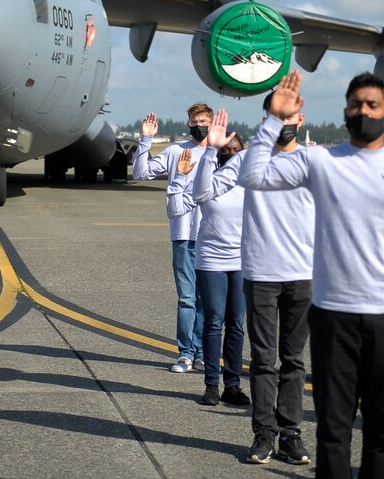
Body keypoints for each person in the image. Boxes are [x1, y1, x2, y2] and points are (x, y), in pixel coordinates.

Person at [239, 71, 384, 479]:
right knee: (334, 430)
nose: (363, 111)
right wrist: (273, 118)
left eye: (372, 105)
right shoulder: (320, 161)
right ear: (345, 111)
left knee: (383, 431)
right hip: (332, 315)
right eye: (356, 104)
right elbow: (253, 175)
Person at [240, 91, 315, 465]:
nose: (285, 122)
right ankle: (263, 434)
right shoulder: (253, 158)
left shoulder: (314, 163)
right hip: (261, 274)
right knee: (264, 360)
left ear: (301, 119)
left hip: (302, 276)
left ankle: (291, 434)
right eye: (277, 116)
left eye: (291, 116)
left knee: (293, 361)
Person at [166, 110, 250, 408]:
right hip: (212, 260)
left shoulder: (249, 184)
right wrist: (211, 149)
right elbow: (197, 194)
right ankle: (212, 384)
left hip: (241, 261)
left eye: (236, 150)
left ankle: (233, 384)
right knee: (214, 321)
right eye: (227, 150)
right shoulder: (210, 179)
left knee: (236, 325)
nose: (232, 154)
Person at [133, 104, 212, 373]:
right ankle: (186, 353)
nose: (199, 124)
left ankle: (203, 352)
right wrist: (146, 139)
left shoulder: (218, 153)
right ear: (188, 124)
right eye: (194, 120)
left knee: (206, 299)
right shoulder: (176, 151)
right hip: (183, 235)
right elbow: (140, 173)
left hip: (213, 237)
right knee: (187, 298)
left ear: (211, 123)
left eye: (203, 120)